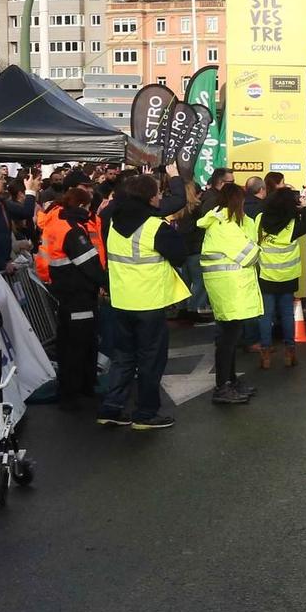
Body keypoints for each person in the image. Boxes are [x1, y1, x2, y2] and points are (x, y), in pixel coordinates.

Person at [98, 169, 193, 430]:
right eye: (158, 193)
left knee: (123, 357)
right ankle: (146, 413)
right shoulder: (154, 227)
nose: (160, 196)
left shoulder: (113, 224)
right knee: (151, 360)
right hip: (149, 302)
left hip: (121, 300)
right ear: (149, 198)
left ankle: (112, 408)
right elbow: (180, 256)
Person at [196, 183, 261, 406]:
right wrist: (254, 244)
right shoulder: (225, 225)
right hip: (229, 288)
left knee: (231, 337)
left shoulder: (224, 222)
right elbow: (250, 255)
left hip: (229, 286)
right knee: (227, 339)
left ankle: (230, 381)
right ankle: (223, 385)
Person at [45, 186, 105, 402]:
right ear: (82, 205)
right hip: (79, 293)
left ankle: (71, 388)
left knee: (68, 343)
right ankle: (78, 390)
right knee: (82, 343)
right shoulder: (73, 230)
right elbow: (88, 263)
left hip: (64, 291)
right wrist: (107, 283)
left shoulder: (56, 224)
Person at [255, 186, 305, 370]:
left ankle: (266, 353)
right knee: (286, 314)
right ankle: (290, 351)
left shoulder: (260, 220)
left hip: (266, 274)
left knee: (265, 315)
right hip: (288, 276)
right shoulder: (292, 224)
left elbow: (254, 240)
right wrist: (305, 207)